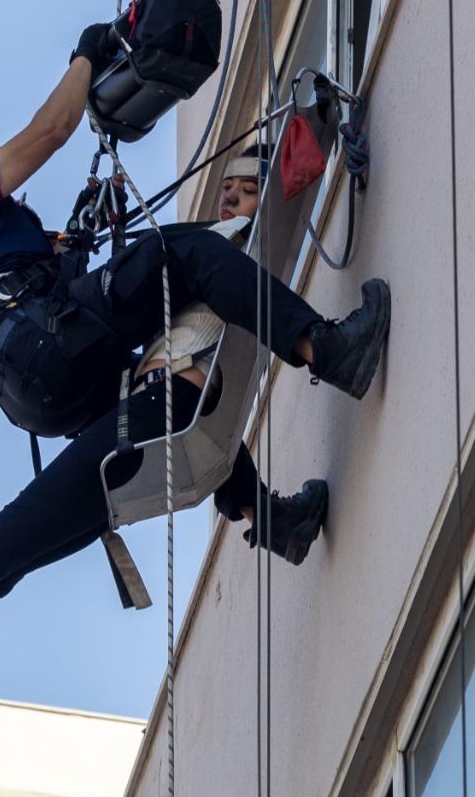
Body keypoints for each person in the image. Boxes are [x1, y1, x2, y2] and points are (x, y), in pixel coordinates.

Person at [0, 23, 391, 725]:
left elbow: (27, 280)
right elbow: (51, 133)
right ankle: (328, 350)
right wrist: (89, 54)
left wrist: (66, 248)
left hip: (53, 390)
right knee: (187, 254)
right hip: (54, 354)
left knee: (13, 542)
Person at [131, 143, 330, 564]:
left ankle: (267, 518)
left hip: (153, 390)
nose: (229, 198)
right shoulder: (216, 244)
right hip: (176, 380)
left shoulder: (203, 253)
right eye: (226, 189)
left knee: (209, 439)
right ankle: (330, 350)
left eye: (248, 189)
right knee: (204, 423)